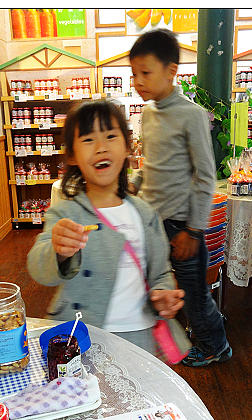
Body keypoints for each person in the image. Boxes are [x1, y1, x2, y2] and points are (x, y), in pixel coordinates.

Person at [27, 99, 185, 355]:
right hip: (80, 335)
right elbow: (39, 269)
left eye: (111, 136)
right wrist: (57, 251)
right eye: (88, 140)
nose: (101, 147)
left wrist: (164, 293)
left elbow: (161, 272)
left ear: (127, 148)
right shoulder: (65, 213)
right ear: (72, 156)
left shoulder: (144, 213)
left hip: (140, 336)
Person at [128, 29, 231, 367]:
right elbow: (153, 164)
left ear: (171, 71)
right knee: (164, 291)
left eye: (146, 72)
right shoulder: (148, 112)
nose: (138, 81)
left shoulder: (191, 115)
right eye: (134, 74)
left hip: (181, 226)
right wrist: (135, 182)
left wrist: (194, 230)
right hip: (151, 222)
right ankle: (204, 331)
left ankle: (215, 346)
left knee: (192, 295)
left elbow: (205, 175)